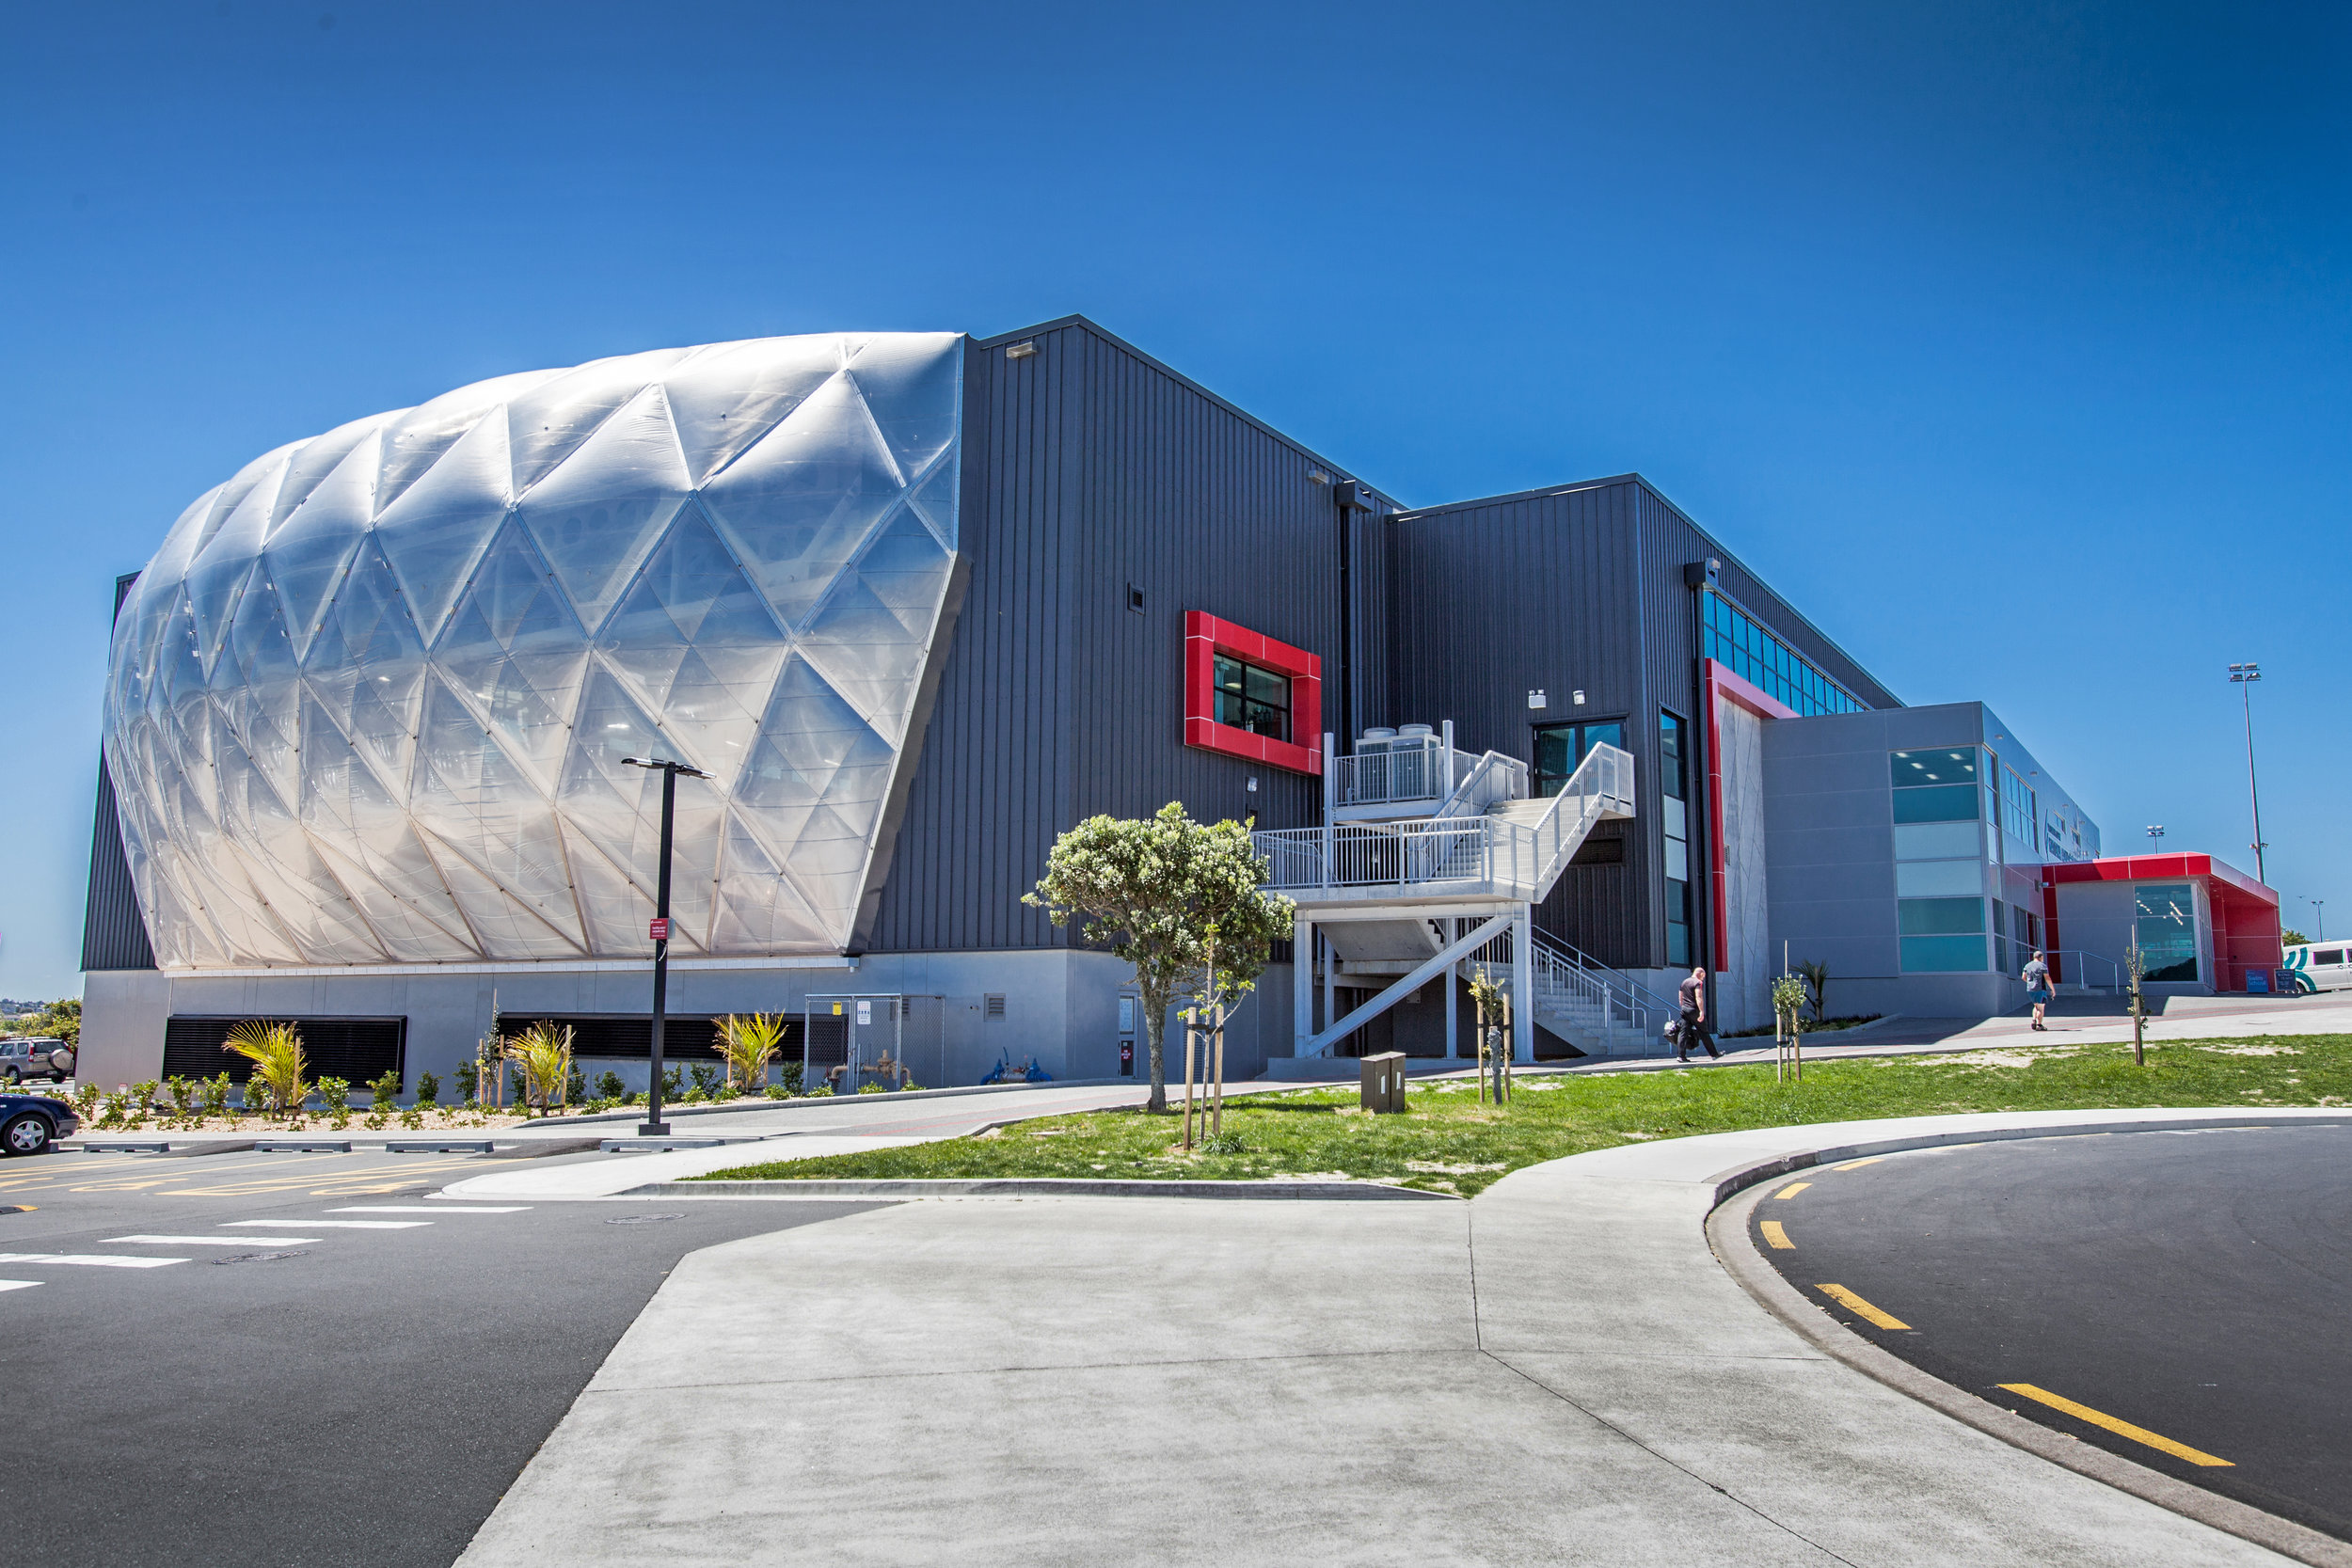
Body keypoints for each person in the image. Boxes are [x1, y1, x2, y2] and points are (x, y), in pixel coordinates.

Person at [1676, 966, 1720, 1062]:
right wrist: (1701, 1012)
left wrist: (1683, 1007)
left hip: (1685, 1010)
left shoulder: (1684, 982)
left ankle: (1681, 1056)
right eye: (1703, 976)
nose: (1703, 978)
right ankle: (1714, 1054)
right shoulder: (1698, 983)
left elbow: (1680, 998)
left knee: (1683, 1033)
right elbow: (1698, 997)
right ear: (1701, 974)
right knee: (1704, 1032)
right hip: (1694, 1010)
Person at [2022, 950, 2053, 1031]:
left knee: (2036, 1006)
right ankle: (2039, 1025)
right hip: (2040, 989)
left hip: (2030, 989)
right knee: (2041, 1008)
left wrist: (2030, 983)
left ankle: (2034, 1020)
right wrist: (2052, 989)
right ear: (2041, 957)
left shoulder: (2027, 966)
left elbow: (2023, 977)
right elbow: (2047, 978)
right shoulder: (2042, 966)